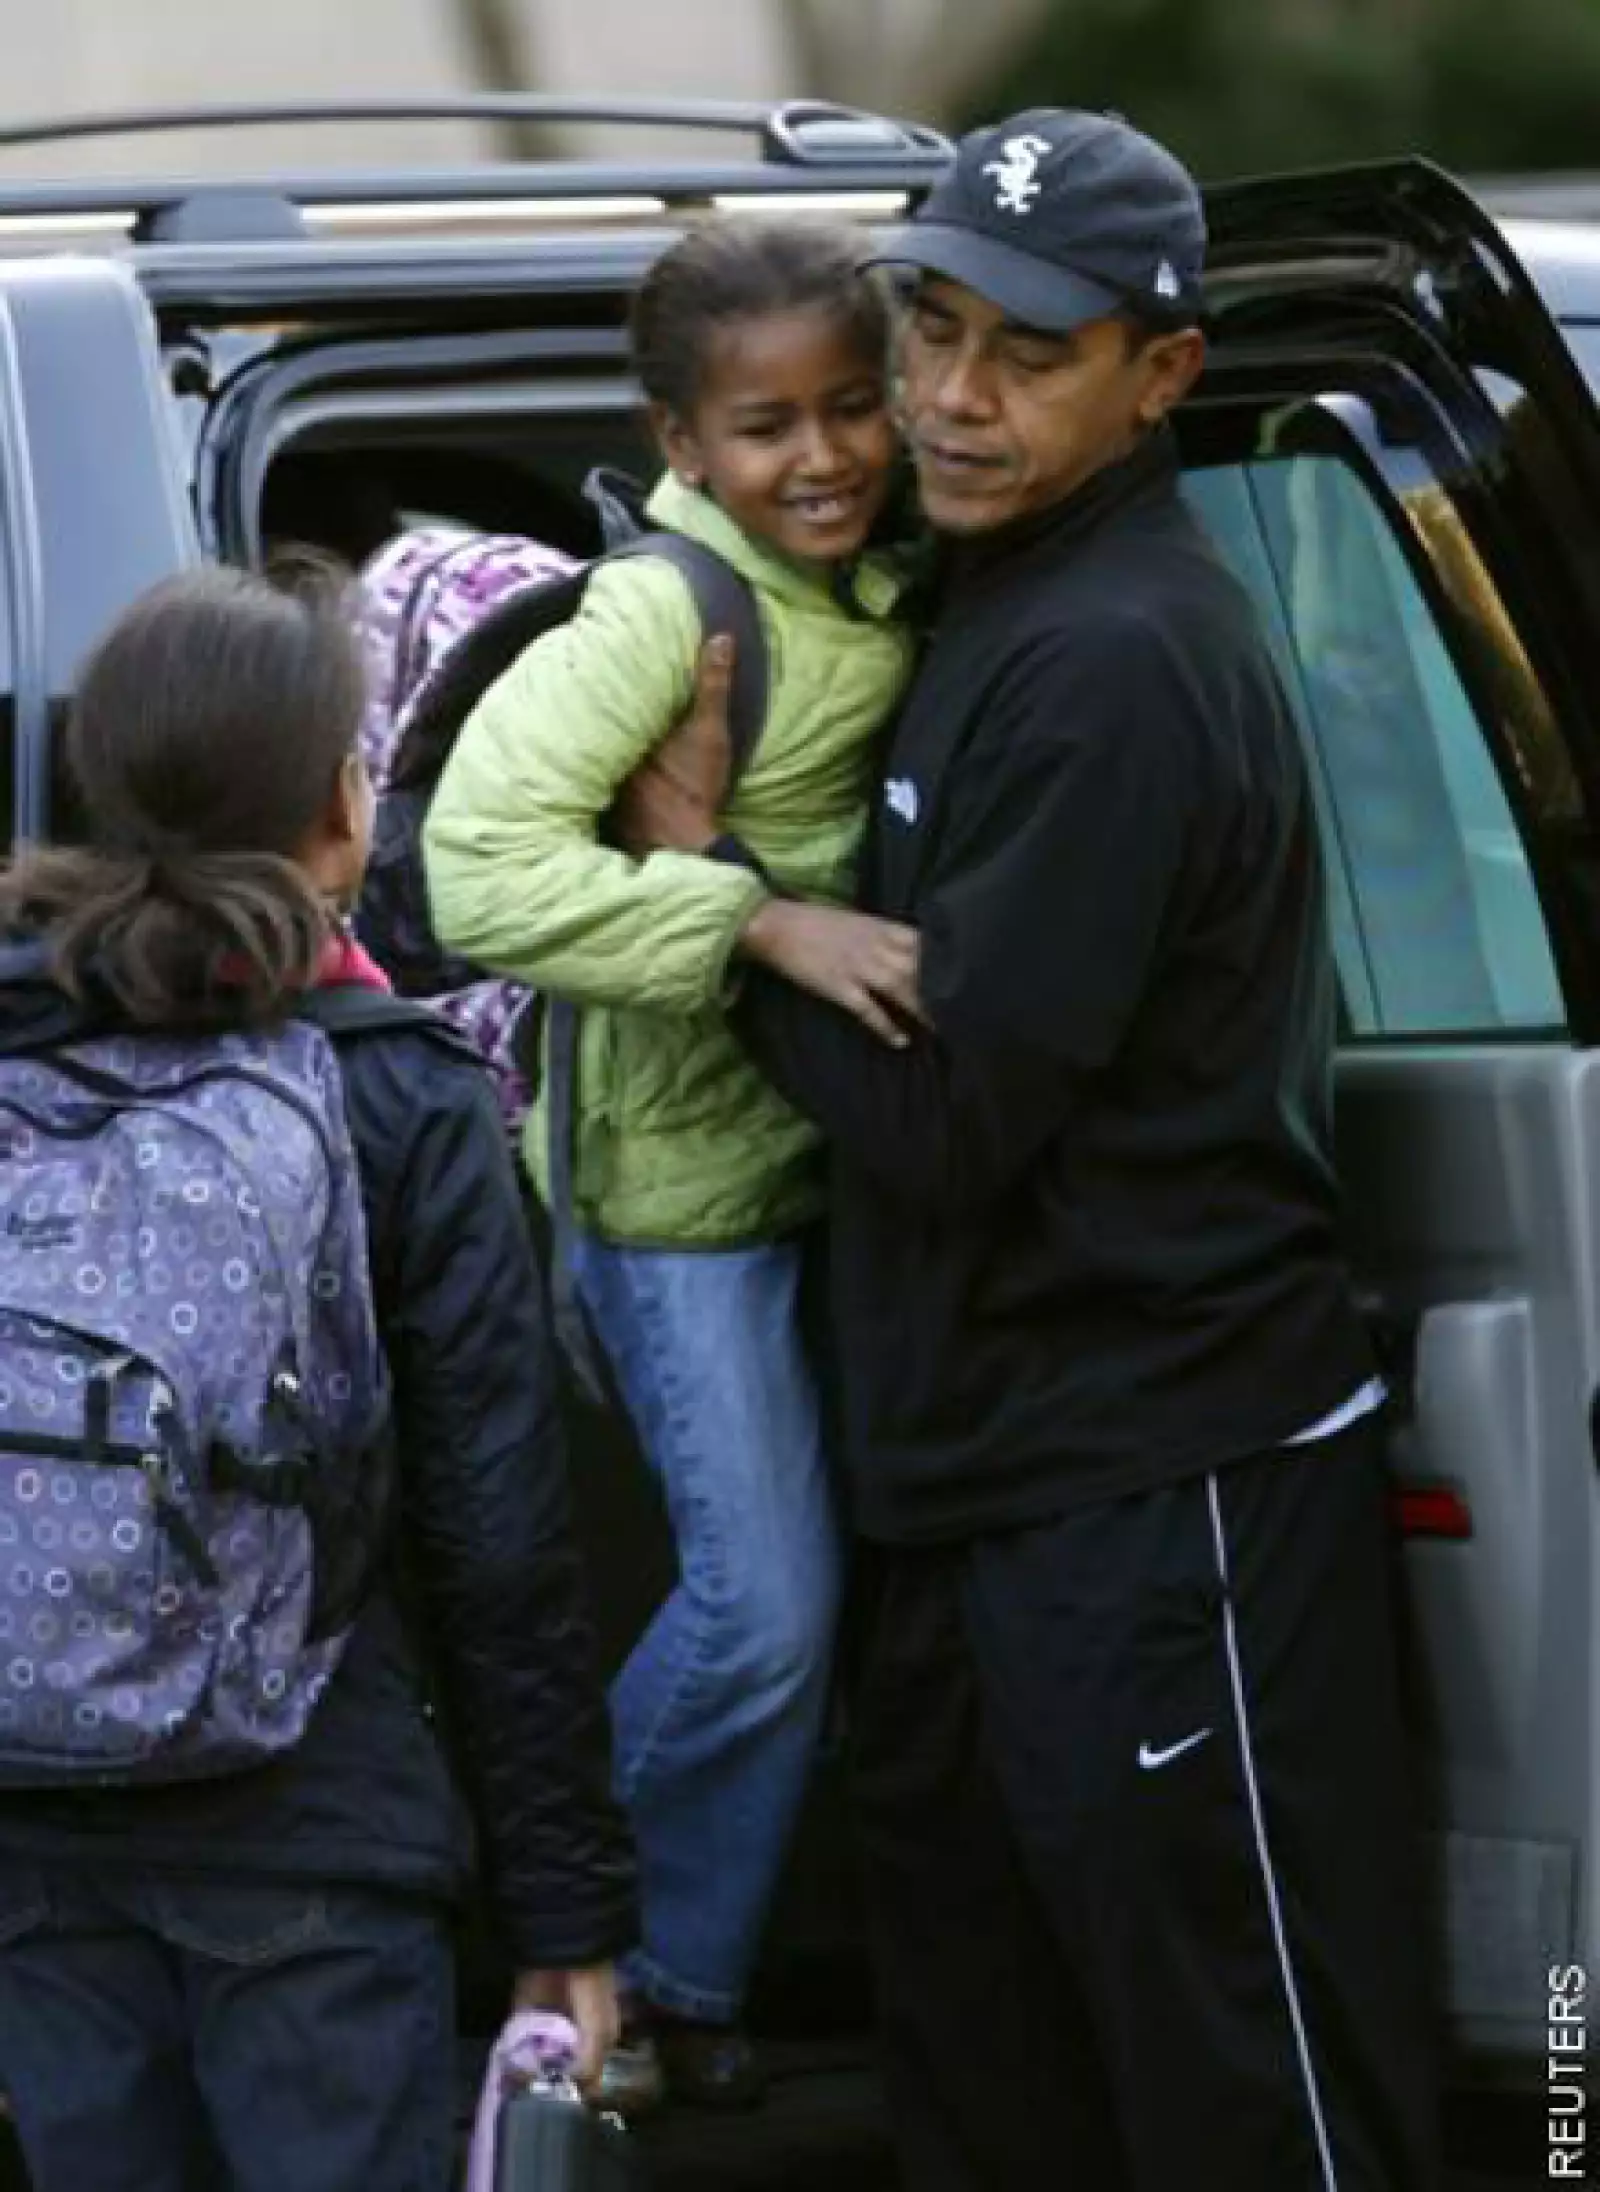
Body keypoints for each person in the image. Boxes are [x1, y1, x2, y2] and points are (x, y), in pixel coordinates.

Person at [611, 109, 1440, 2190]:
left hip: (1158, 1503)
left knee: (1237, 2097)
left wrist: (698, 899)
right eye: (931, 330)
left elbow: (940, 1112)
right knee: (994, 2108)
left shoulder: (1113, 664)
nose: (948, 401)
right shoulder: (960, 596)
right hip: (971, 1506)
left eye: (1026, 353)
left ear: (1160, 373)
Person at [0, 564, 635, 2192]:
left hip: (31, 1824)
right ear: (342, 810)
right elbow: (500, 1540)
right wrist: (563, 1913)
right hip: (314, 1829)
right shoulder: (400, 1096)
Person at [422, 214, 922, 2110]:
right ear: (682, 443)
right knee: (763, 1608)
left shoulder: (892, 570)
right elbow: (481, 869)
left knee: (830, 1615)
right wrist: (755, 920)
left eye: (854, 408)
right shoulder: (661, 612)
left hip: (837, 1179)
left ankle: (676, 1994)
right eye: (768, 425)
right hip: (673, 1209)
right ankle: (577, 1977)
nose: (824, 457)